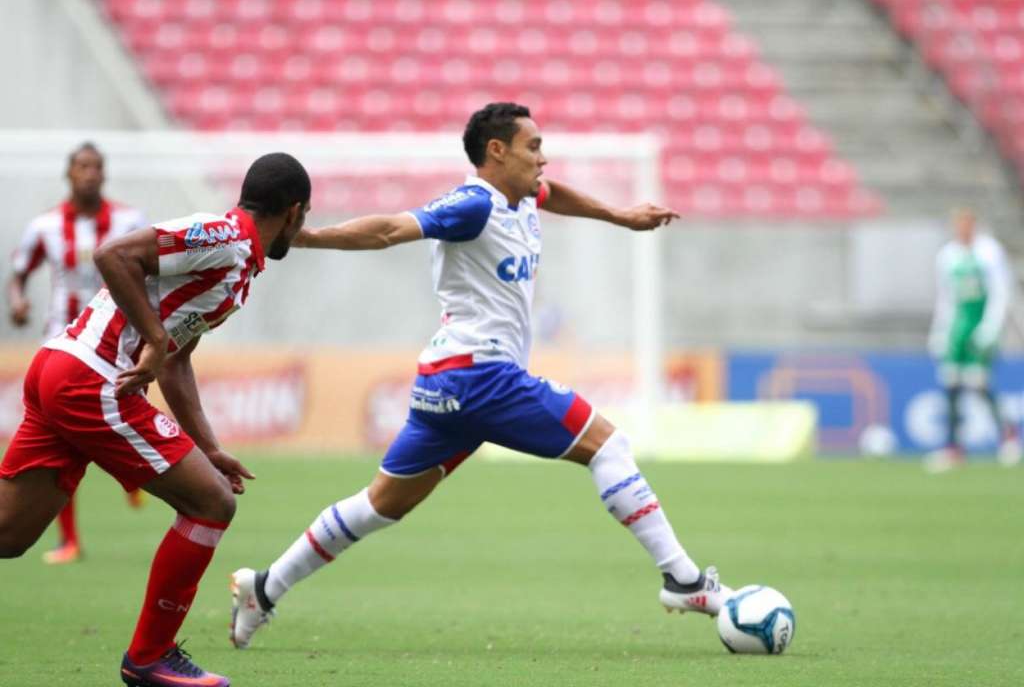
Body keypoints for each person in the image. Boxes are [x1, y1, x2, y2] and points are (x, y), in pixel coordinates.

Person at [229, 102, 732, 650]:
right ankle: (682, 580)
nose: (543, 158)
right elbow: (389, 230)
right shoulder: (472, 204)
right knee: (610, 447)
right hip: (481, 374)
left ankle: (265, 587)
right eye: (533, 147)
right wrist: (304, 237)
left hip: (447, 383)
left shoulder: (523, 196)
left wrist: (620, 216)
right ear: (497, 151)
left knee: (380, 505)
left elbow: (552, 193)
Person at [0, 152, 311, 687]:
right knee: (212, 503)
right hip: (91, 379)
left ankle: (151, 657)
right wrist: (155, 335)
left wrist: (207, 447)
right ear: (295, 212)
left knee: (9, 535)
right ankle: (150, 657)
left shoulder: (237, 266)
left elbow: (175, 360)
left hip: (65, 371)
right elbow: (114, 255)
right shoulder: (226, 236)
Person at [7, 141, 148, 564]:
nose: (90, 174)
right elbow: (19, 273)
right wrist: (17, 301)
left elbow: (155, 268)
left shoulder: (130, 220)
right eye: (83, 167)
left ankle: (132, 475)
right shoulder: (45, 227)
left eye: (97, 167)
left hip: (117, 346)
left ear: (105, 174)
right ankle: (69, 539)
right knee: (65, 441)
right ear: (69, 174)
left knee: (118, 429)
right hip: (63, 346)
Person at [926, 207, 1021, 472]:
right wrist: (940, 331)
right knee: (951, 384)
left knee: (979, 383)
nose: (962, 229)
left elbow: (1001, 292)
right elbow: (945, 298)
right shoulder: (947, 256)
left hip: (980, 323)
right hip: (957, 326)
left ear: (974, 225)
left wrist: (990, 328)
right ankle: (953, 447)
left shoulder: (989, 252)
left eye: (966, 224)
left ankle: (1008, 434)